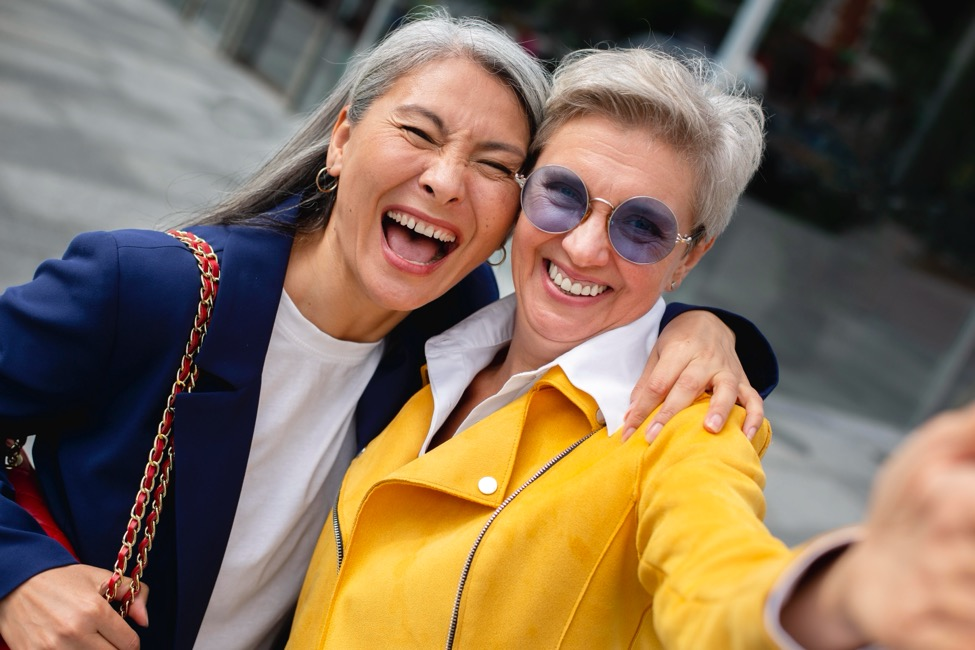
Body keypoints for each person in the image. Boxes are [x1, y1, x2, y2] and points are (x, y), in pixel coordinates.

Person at [0, 10, 778, 650]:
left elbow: (716, 563)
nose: (443, 179)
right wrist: (19, 575)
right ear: (341, 138)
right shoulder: (150, 287)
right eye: (418, 133)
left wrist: (708, 333)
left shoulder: (448, 325)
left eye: (490, 163)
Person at [286, 45, 975, 649]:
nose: (583, 248)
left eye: (641, 228)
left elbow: (718, 576)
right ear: (522, 192)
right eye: (562, 195)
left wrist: (845, 594)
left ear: (687, 259)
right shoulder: (435, 336)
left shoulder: (686, 430)